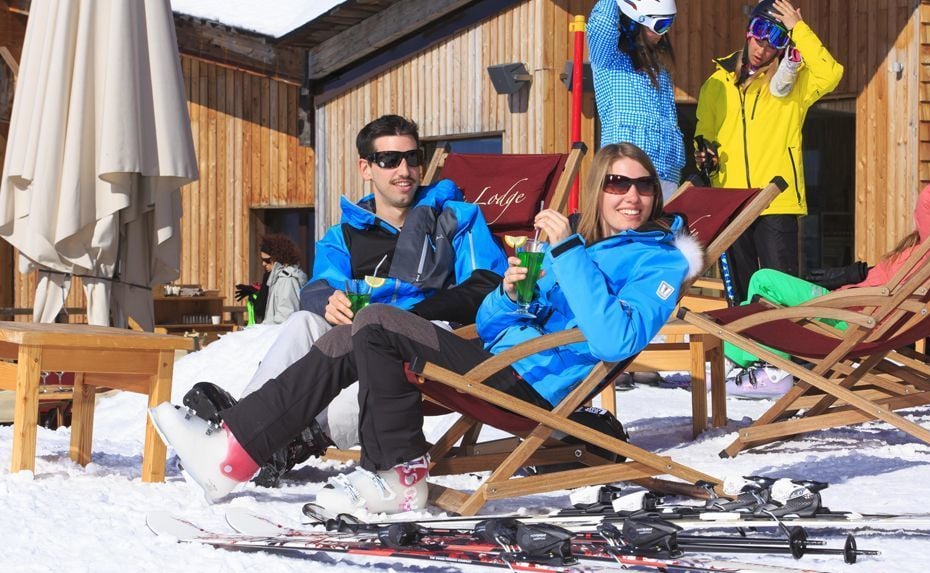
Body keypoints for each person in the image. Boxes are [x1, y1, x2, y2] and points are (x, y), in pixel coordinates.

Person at [149, 142, 704, 512]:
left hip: (536, 388)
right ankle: (234, 453)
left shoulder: (660, 261)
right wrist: (510, 297)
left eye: (642, 186)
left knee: (378, 323)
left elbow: (615, 340)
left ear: (655, 193)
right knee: (355, 329)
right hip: (499, 363)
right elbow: (490, 323)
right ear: (598, 189)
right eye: (615, 183)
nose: (630, 196)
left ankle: (395, 473)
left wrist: (568, 251)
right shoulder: (579, 250)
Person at [182, 114, 508, 486]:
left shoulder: (456, 218)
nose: (404, 170)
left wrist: (404, 318)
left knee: (377, 347)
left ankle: (257, 438)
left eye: (412, 158)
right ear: (365, 168)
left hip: (429, 338)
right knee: (305, 321)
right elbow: (320, 284)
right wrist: (328, 302)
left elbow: (486, 283)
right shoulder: (348, 232)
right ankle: (242, 435)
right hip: (359, 339)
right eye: (389, 160)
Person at [722, 174, 930, 396]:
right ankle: (733, 360)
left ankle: (771, 370)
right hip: (855, 311)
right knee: (756, 300)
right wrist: (853, 275)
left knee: (764, 281)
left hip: (851, 317)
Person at [695, 0, 843, 304]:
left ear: (783, 47)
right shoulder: (717, 82)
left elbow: (831, 73)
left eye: (774, 40)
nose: (762, 47)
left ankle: (784, 350)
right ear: (749, 31)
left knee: (781, 292)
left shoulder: (794, 83)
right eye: (760, 33)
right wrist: (704, 151)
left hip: (775, 202)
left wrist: (798, 29)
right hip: (732, 202)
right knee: (740, 290)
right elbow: (704, 132)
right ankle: (741, 350)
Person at [588, 0, 684, 201]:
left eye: (669, 23)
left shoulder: (658, 68)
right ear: (635, 21)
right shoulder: (610, 58)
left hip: (665, 176)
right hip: (627, 175)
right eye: (660, 25)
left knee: (663, 233)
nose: (663, 33)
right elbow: (603, 24)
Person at [235, 234, 307, 325]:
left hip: (278, 335)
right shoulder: (276, 279)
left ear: (279, 258)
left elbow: (285, 318)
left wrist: (264, 332)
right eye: (262, 259)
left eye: (267, 260)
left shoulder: (287, 281)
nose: (263, 264)